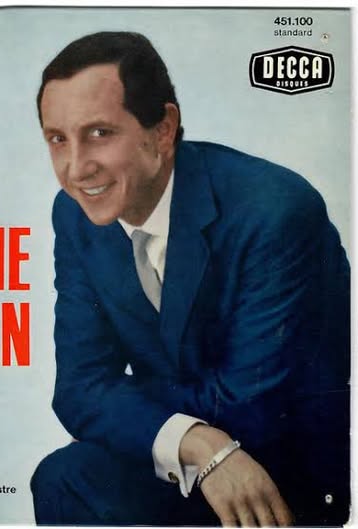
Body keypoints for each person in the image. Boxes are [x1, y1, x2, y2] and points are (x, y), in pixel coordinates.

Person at [30, 31, 350, 526]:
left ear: (163, 129)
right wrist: (196, 443)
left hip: (284, 471)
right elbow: (77, 389)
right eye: (58, 139)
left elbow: (252, 407)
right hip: (197, 456)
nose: (75, 169)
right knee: (64, 477)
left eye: (99, 133)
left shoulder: (274, 210)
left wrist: (121, 414)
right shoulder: (75, 214)